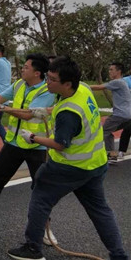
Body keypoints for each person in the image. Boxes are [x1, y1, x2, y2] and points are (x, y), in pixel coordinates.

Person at [7, 56, 129, 260]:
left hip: (68, 167)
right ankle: (119, 255)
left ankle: (32, 248)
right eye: (48, 77)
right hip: (95, 165)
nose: (48, 82)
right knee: (100, 211)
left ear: (67, 83)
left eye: (52, 79)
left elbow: (60, 143)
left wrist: (33, 137)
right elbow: (64, 108)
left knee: (40, 199)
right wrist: (43, 111)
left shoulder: (68, 113)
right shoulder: (82, 89)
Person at [0, 53, 58, 246]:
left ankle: (45, 228)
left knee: (40, 188)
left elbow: (29, 114)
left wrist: (1, 108)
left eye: (26, 67)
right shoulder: (19, 85)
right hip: (13, 144)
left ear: (38, 73)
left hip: (37, 145)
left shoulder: (47, 90)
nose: (22, 69)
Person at [89, 62, 131, 164]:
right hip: (127, 116)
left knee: (102, 131)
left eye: (111, 69)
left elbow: (99, 87)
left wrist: (80, 86)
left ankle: (102, 155)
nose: (109, 72)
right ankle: (112, 155)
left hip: (120, 115)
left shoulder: (118, 82)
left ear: (118, 71)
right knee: (108, 132)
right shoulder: (123, 82)